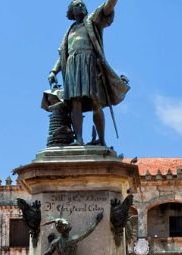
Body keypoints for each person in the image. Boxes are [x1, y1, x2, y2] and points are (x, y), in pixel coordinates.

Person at [48, 0, 129, 146]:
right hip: (72, 66)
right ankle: (79, 139)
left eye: (83, 4)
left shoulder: (91, 21)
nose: (82, 6)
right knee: (75, 103)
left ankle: (102, 140)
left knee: (96, 102)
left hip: (89, 63)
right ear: (72, 12)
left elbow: (107, 8)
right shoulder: (69, 31)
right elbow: (62, 56)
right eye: (77, 5)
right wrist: (53, 71)